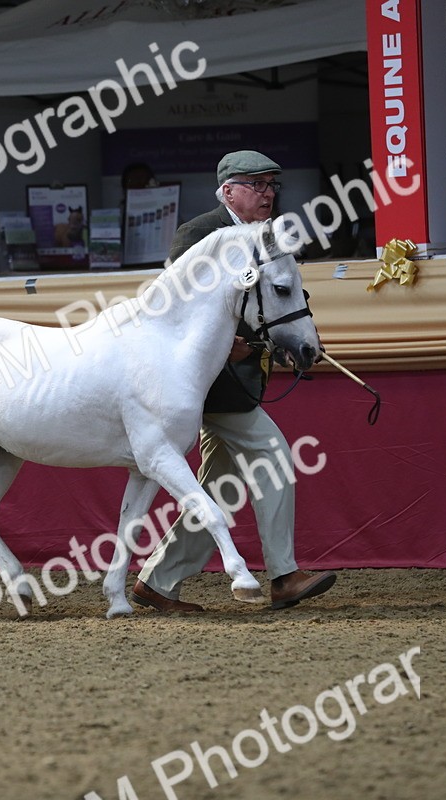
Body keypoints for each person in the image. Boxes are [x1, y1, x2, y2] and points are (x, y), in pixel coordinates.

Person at [131, 149, 337, 612]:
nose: (268, 193)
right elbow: (175, 309)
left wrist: (290, 338)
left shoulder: (268, 236)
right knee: (274, 456)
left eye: (271, 185)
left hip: (238, 379)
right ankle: (284, 575)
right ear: (227, 192)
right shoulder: (198, 234)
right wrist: (226, 346)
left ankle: (158, 582)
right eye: (256, 185)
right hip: (208, 385)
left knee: (217, 488)